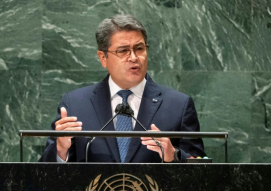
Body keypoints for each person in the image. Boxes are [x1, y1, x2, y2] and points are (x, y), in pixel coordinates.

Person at [39, 14, 205, 163]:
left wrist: (173, 155)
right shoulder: (75, 105)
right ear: (103, 58)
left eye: (139, 49)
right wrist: (61, 150)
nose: (133, 57)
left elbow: (202, 172)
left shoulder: (179, 106)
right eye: (123, 51)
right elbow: (42, 176)